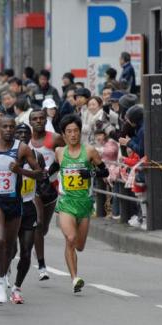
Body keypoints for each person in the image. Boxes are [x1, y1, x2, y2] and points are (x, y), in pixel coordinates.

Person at [0, 116, 42, 305]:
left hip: (15, 203)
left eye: (12, 126)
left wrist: (21, 171)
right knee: (0, 238)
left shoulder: (22, 149)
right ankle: (0, 282)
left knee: (10, 246)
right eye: (5, 126)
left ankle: (2, 276)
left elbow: (40, 174)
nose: (9, 129)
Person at [50, 114, 108, 293]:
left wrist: (90, 174)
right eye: (69, 132)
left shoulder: (89, 151)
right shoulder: (59, 152)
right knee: (70, 238)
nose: (73, 134)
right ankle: (75, 278)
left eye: (76, 131)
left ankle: (74, 270)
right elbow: (51, 171)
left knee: (80, 246)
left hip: (85, 203)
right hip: (66, 202)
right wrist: (43, 179)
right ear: (64, 134)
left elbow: (104, 172)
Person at [11, 123, 46, 303]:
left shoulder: (37, 156)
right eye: (19, 132)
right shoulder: (5, 154)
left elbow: (41, 177)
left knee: (26, 252)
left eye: (26, 132)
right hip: (8, 207)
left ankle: (17, 287)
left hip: (28, 206)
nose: (23, 135)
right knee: (10, 250)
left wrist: (21, 171)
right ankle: (1, 276)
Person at [29, 109, 64, 280]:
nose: (38, 121)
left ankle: (37, 246)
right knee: (38, 221)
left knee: (43, 229)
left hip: (51, 187)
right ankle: (42, 266)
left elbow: (66, 156)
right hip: (33, 186)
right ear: (30, 122)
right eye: (35, 119)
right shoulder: (25, 140)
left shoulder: (55, 138)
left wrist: (54, 169)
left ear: (46, 120)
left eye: (41, 118)